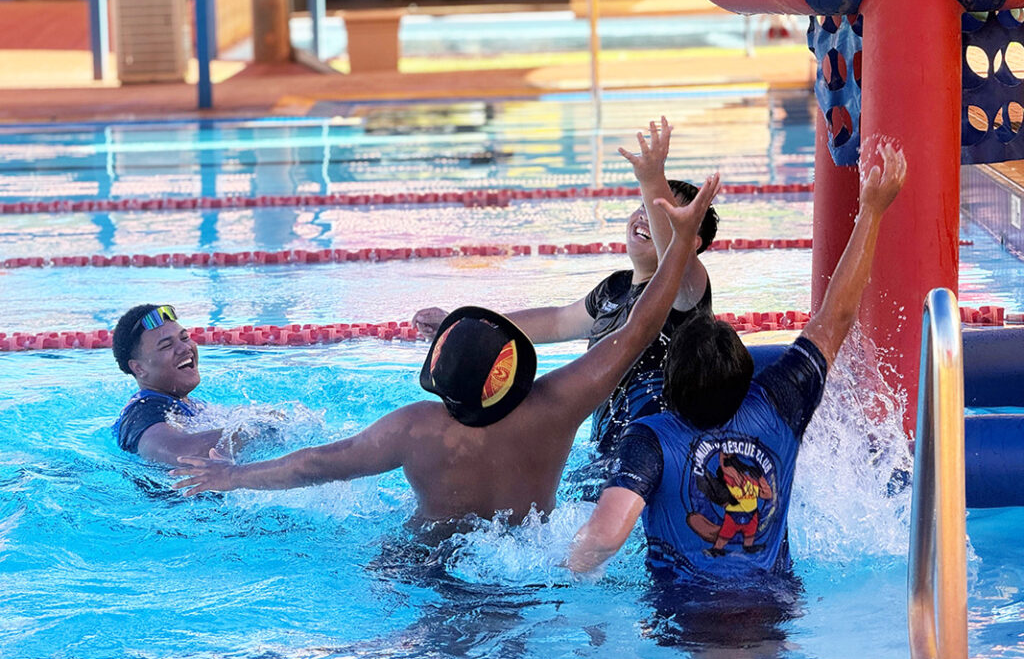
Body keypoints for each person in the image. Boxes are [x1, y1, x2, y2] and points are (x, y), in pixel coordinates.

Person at [170, 174, 723, 538]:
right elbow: (635, 332)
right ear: (514, 371)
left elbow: (316, 463)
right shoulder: (556, 408)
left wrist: (234, 476)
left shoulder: (416, 429)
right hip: (523, 563)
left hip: (424, 562)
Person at [566, 136, 907, 581]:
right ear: (747, 378)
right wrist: (873, 212)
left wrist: (558, 577)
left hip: (683, 615)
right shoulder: (779, 405)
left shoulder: (651, 439)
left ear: (667, 389)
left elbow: (605, 538)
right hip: (773, 605)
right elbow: (836, 317)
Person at [412, 117, 719, 468]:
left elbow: (674, 255)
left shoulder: (688, 293)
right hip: (607, 455)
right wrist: (465, 327)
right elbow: (556, 322)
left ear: (692, 243)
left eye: (660, 212)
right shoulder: (614, 289)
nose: (645, 217)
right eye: (644, 207)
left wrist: (651, 181)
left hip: (667, 453)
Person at [111, 304, 229, 464]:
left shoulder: (189, 404)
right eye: (167, 345)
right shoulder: (143, 412)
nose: (185, 348)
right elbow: (180, 453)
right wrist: (254, 430)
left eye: (185, 338)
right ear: (139, 368)